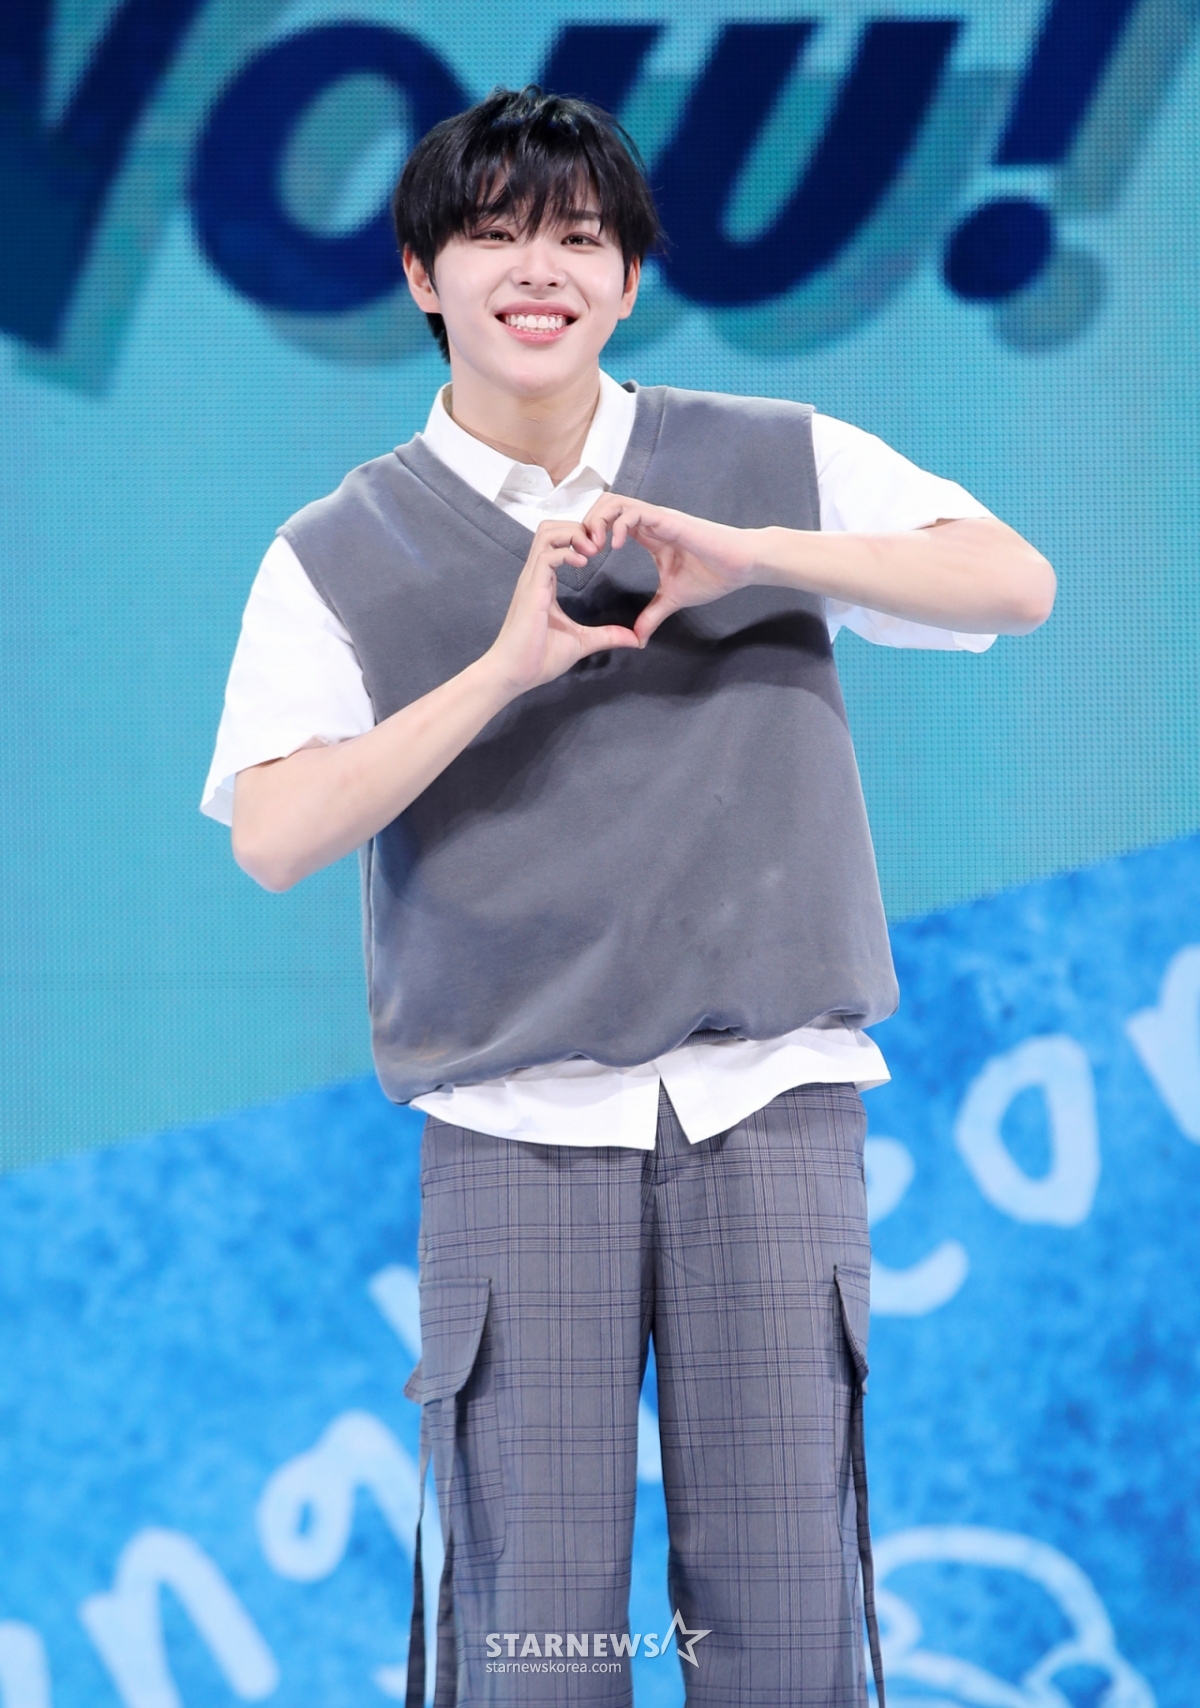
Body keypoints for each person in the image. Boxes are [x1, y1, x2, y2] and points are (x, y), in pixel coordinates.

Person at [202, 85, 1054, 1708]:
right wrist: (498, 671)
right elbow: (275, 833)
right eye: (495, 236)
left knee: (788, 1628)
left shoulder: (769, 457)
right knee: (533, 1635)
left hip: (770, 1101)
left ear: (630, 278)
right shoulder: (335, 547)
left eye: (581, 239)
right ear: (421, 274)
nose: (542, 271)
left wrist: (758, 552)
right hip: (515, 1123)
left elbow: (1013, 580)